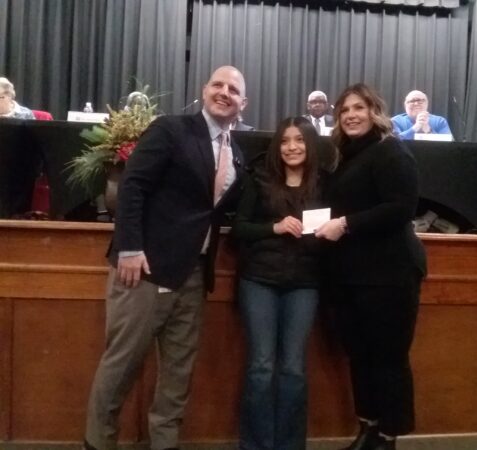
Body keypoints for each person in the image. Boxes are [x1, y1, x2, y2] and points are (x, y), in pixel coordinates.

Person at [83, 65, 248, 450]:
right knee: (122, 365)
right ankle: (98, 442)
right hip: (144, 269)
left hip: (194, 276)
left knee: (178, 372)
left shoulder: (238, 154)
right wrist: (129, 247)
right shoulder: (172, 129)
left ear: (244, 103)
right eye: (218, 85)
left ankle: (165, 443)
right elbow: (132, 186)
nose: (225, 92)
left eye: (234, 89)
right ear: (204, 90)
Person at [315, 84, 427, 450]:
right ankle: (368, 430)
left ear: (374, 111)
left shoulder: (390, 151)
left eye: (358, 108)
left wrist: (346, 224)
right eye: (344, 110)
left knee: (387, 360)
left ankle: (387, 438)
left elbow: (401, 208)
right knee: (360, 357)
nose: (350, 115)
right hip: (350, 277)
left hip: (389, 276)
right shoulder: (343, 157)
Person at [232, 116, 323, 450]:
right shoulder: (259, 179)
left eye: (299, 140)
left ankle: (289, 445)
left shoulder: (325, 183)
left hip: (305, 283)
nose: (291, 147)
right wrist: (275, 227)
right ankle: (255, 445)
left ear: (310, 144)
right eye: (284, 141)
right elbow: (239, 228)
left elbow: (338, 233)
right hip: (260, 280)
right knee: (261, 366)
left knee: (293, 369)